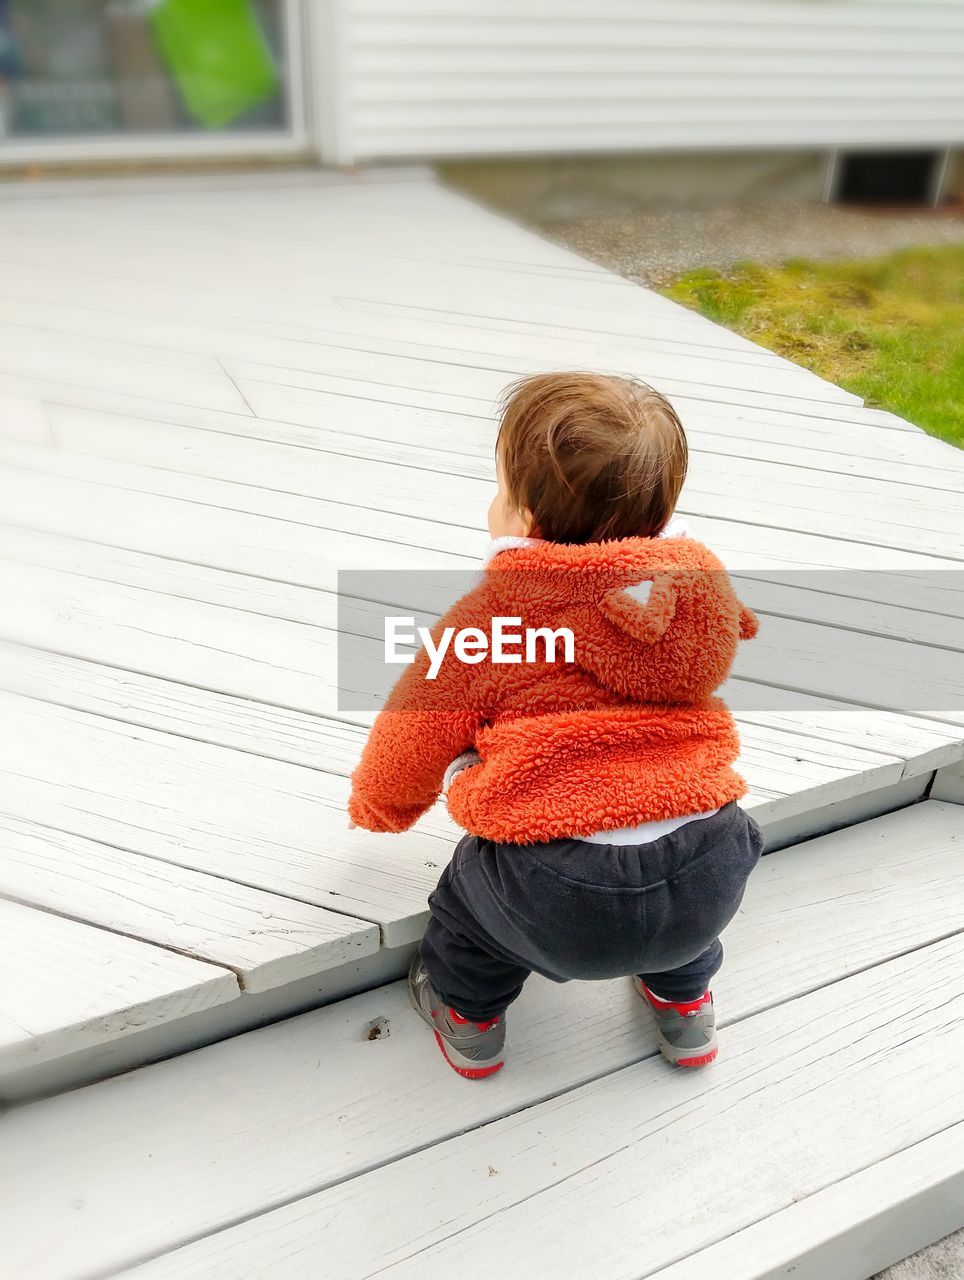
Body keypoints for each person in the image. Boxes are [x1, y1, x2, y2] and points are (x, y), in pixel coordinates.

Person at [349, 372, 763, 1079]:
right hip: (712, 861)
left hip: (554, 891)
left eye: (503, 490)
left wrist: (381, 805)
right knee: (684, 922)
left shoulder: (489, 623)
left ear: (525, 520)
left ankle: (468, 1019)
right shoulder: (697, 595)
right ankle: (685, 1008)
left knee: (466, 911)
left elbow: (412, 734)